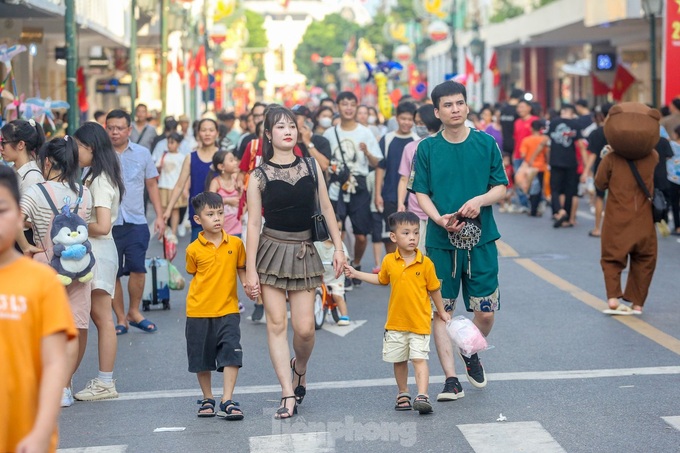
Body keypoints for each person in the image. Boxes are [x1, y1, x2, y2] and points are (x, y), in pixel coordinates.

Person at [245, 106, 345, 419]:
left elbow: (327, 209)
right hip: (271, 251)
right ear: (268, 134)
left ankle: (299, 367)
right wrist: (250, 271)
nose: (288, 131)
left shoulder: (312, 166)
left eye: (292, 126)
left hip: (304, 250)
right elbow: (251, 225)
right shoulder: (257, 176)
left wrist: (339, 249)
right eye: (280, 127)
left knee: (304, 330)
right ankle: (287, 392)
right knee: (276, 325)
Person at [413, 81, 508, 400]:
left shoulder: (486, 143)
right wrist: (438, 218)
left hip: (481, 241)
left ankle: (470, 349)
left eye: (460, 103)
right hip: (441, 242)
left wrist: (480, 200)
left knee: (486, 312)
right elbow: (421, 192)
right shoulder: (426, 148)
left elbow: (500, 187)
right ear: (436, 112)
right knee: (442, 312)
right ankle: (451, 380)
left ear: (467, 107)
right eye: (448, 105)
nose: (455, 109)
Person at [0, 165, 77, 453]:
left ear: (20, 217)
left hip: (25, 437)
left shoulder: (41, 280)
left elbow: (55, 361)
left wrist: (42, 432)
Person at [343, 211, 450, 414]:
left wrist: (442, 312)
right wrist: (357, 273)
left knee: (419, 359)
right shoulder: (389, 261)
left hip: (419, 322)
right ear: (393, 237)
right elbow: (382, 280)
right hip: (395, 322)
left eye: (416, 233)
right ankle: (403, 392)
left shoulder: (426, 263)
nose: (412, 237)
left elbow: (434, 289)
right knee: (399, 360)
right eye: (406, 233)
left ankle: (422, 395)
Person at [19, 136, 93, 408]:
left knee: (44, 330)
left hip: (45, 267)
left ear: (48, 162)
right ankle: (63, 387)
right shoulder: (85, 192)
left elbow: (15, 216)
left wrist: (26, 245)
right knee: (74, 328)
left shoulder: (35, 191)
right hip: (79, 268)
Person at [72, 122, 125, 401]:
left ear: (90, 148)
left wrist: (74, 222)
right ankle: (102, 381)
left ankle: (106, 382)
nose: (75, 151)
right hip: (95, 252)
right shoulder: (94, 174)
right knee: (95, 317)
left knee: (102, 318)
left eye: (78, 146)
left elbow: (103, 225)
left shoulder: (101, 179)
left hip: (99, 251)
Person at [185, 191, 247, 420]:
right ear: (198, 219)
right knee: (202, 358)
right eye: (210, 214)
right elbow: (192, 271)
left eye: (220, 213)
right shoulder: (193, 249)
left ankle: (227, 399)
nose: (217, 218)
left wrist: (248, 286)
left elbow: (241, 268)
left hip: (229, 309)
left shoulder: (236, 243)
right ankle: (208, 397)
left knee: (232, 352)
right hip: (198, 310)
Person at [105, 109, 165, 335]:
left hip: (136, 219)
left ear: (129, 129)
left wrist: (159, 216)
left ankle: (134, 311)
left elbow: (152, 185)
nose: (114, 132)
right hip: (107, 223)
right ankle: (121, 318)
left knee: (138, 269)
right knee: (113, 273)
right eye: (110, 127)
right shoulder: (99, 154)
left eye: (119, 128)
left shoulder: (142, 153)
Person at [596, 102, 659, 315]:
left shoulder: (611, 159)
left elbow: (599, 183)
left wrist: (607, 155)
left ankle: (613, 298)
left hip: (616, 218)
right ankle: (637, 302)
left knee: (612, 259)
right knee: (645, 259)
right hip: (644, 219)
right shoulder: (653, 157)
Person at [323, 92, 382, 281]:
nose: (348, 108)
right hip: (336, 186)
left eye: (351, 104)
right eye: (344, 104)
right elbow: (323, 163)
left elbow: (376, 162)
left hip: (359, 186)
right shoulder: (330, 133)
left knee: (361, 235)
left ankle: (355, 263)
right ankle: (340, 267)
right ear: (337, 107)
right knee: (336, 230)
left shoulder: (365, 132)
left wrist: (366, 152)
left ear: (356, 107)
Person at [163, 118, 220, 241]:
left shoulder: (223, 157)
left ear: (217, 133)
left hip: (220, 218)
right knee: (197, 257)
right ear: (198, 133)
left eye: (211, 130)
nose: (207, 133)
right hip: (198, 216)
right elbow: (179, 185)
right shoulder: (190, 157)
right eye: (204, 130)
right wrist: (168, 210)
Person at [397, 104, 442, 251]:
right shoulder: (410, 148)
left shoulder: (444, 146)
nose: (419, 127)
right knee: (419, 255)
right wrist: (400, 203)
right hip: (416, 211)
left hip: (441, 211)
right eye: (417, 124)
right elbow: (405, 178)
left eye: (422, 123)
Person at [375, 101, 418, 253]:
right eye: (403, 118)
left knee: (411, 237)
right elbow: (380, 167)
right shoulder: (387, 139)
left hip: (413, 197)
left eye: (409, 119)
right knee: (390, 236)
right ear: (396, 118)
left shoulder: (417, 140)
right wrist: (378, 194)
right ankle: (393, 271)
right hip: (390, 195)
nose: (406, 122)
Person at [0, 119, 46, 251]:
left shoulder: (32, 176)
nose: (1, 148)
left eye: (4, 143)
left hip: (24, 241)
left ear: (21, 145)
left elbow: (32, 221)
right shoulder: (14, 171)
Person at [548, 104, 586, 228]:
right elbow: (581, 145)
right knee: (570, 190)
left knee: (555, 188)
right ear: (572, 113)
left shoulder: (553, 123)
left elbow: (545, 141)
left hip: (555, 161)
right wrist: (585, 166)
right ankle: (568, 218)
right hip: (571, 162)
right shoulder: (576, 125)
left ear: (562, 111)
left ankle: (559, 211)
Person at [584, 103, 613, 237]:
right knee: (616, 198)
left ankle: (597, 228)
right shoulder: (620, 131)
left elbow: (593, 154)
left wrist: (586, 171)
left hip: (601, 168)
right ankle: (614, 230)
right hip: (619, 169)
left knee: (599, 198)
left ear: (601, 115)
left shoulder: (597, 132)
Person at [157, 132, 188, 237]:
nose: (169, 145)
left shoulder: (182, 157)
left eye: (172, 142)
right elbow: (157, 167)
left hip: (175, 187)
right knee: (164, 210)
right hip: (163, 186)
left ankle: (173, 232)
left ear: (178, 144)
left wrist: (185, 189)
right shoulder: (164, 155)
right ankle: (165, 231)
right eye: (168, 142)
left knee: (175, 211)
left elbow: (187, 175)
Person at [314, 238, 351, 325]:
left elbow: (345, 256)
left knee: (337, 295)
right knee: (314, 293)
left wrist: (343, 259)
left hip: (336, 277)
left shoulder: (339, 245)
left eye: (339, 231)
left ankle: (344, 316)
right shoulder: (317, 244)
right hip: (321, 277)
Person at [207, 150, 242, 237]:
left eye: (234, 160)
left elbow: (241, 201)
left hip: (237, 228)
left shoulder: (236, 180)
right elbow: (210, 203)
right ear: (221, 166)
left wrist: (241, 190)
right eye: (231, 160)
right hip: (221, 230)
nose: (235, 162)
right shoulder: (216, 183)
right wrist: (226, 201)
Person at [518, 119, 549, 217]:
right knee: (538, 189)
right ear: (540, 129)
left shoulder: (526, 140)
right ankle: (535, 209)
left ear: (531, 128)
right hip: (541, 167)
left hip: (529, 168)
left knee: (529, 187)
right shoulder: (544, 140)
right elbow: (547, 153)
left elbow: (523, 154)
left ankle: (531, 208)